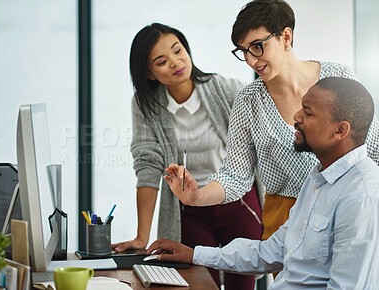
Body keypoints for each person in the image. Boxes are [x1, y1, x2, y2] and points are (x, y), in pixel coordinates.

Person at [162, 0, 379, 244]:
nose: (251, 61)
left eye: (257, 46)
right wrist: (197, 197)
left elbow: (372, 148)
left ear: (286, 37)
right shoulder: (248, 101)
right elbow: (236, 175)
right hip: (285, 219)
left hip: (348, 207)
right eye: (243, 51)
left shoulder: (338, 77)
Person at [149, 77, 379, 289]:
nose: (296, 117)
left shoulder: (361, 195)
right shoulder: (318, 178)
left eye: (307, 113)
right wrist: (195, 255)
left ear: (341, 130)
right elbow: (272, 251)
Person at [111, 23, 263, 290]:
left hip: (239, 204)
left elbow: (263, 146)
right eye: (161, 61)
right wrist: (141, 235)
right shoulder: (145, 105)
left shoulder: (228, 90)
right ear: (149, 73)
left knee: (243, 284)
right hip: (190, 211)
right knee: (197, 284)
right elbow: (147, 164)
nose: (175, 62)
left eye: (178, 51)